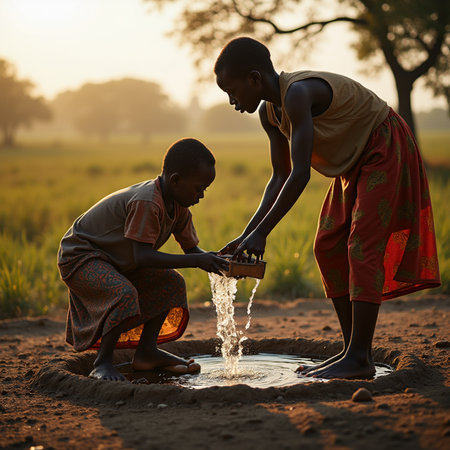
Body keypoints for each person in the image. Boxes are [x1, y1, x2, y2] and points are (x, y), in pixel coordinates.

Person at [214, 37, 440, 379]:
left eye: (232, 90)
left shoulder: (297, 94)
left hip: (382, 143)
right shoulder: (268, 114)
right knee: (327, 244)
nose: (231, 101)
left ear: (255, 79)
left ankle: (359, 357)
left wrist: (263, 232)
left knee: (362, 245)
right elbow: (280, 177)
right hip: (354, 162)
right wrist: (248, 235)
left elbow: (301, 174)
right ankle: (352, 352)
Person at [58, 138, 229, 381]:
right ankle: (102, 362)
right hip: (81, 256)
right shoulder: (148, 201)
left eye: (205, 189)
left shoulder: (179, 207)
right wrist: (198, 262)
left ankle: (147, 352)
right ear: (176, 180)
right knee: (123, 293)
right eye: (198, 188)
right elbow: (143, 256)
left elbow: (192, 252)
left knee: (172, 283)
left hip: (116, 260)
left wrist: (222, 262)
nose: (201, 195)